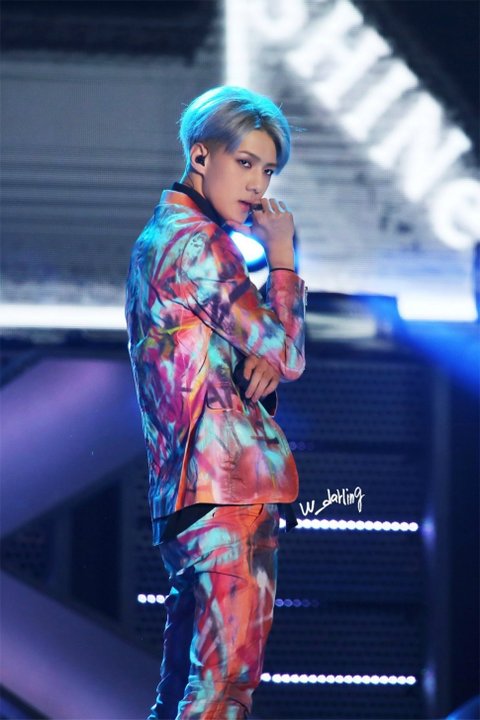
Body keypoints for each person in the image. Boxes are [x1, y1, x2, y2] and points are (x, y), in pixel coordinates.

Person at [125, 85, 307, 719]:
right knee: (224, 687)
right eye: (246, 162)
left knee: (187, 684)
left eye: (269, 171)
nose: (258, 185)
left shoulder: (162, 237)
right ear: (201, 155)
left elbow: (248, 353)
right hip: (224, 491)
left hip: (191, 491)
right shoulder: (199, 244)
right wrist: (282, 256)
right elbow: (288, 351)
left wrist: (260, 358)